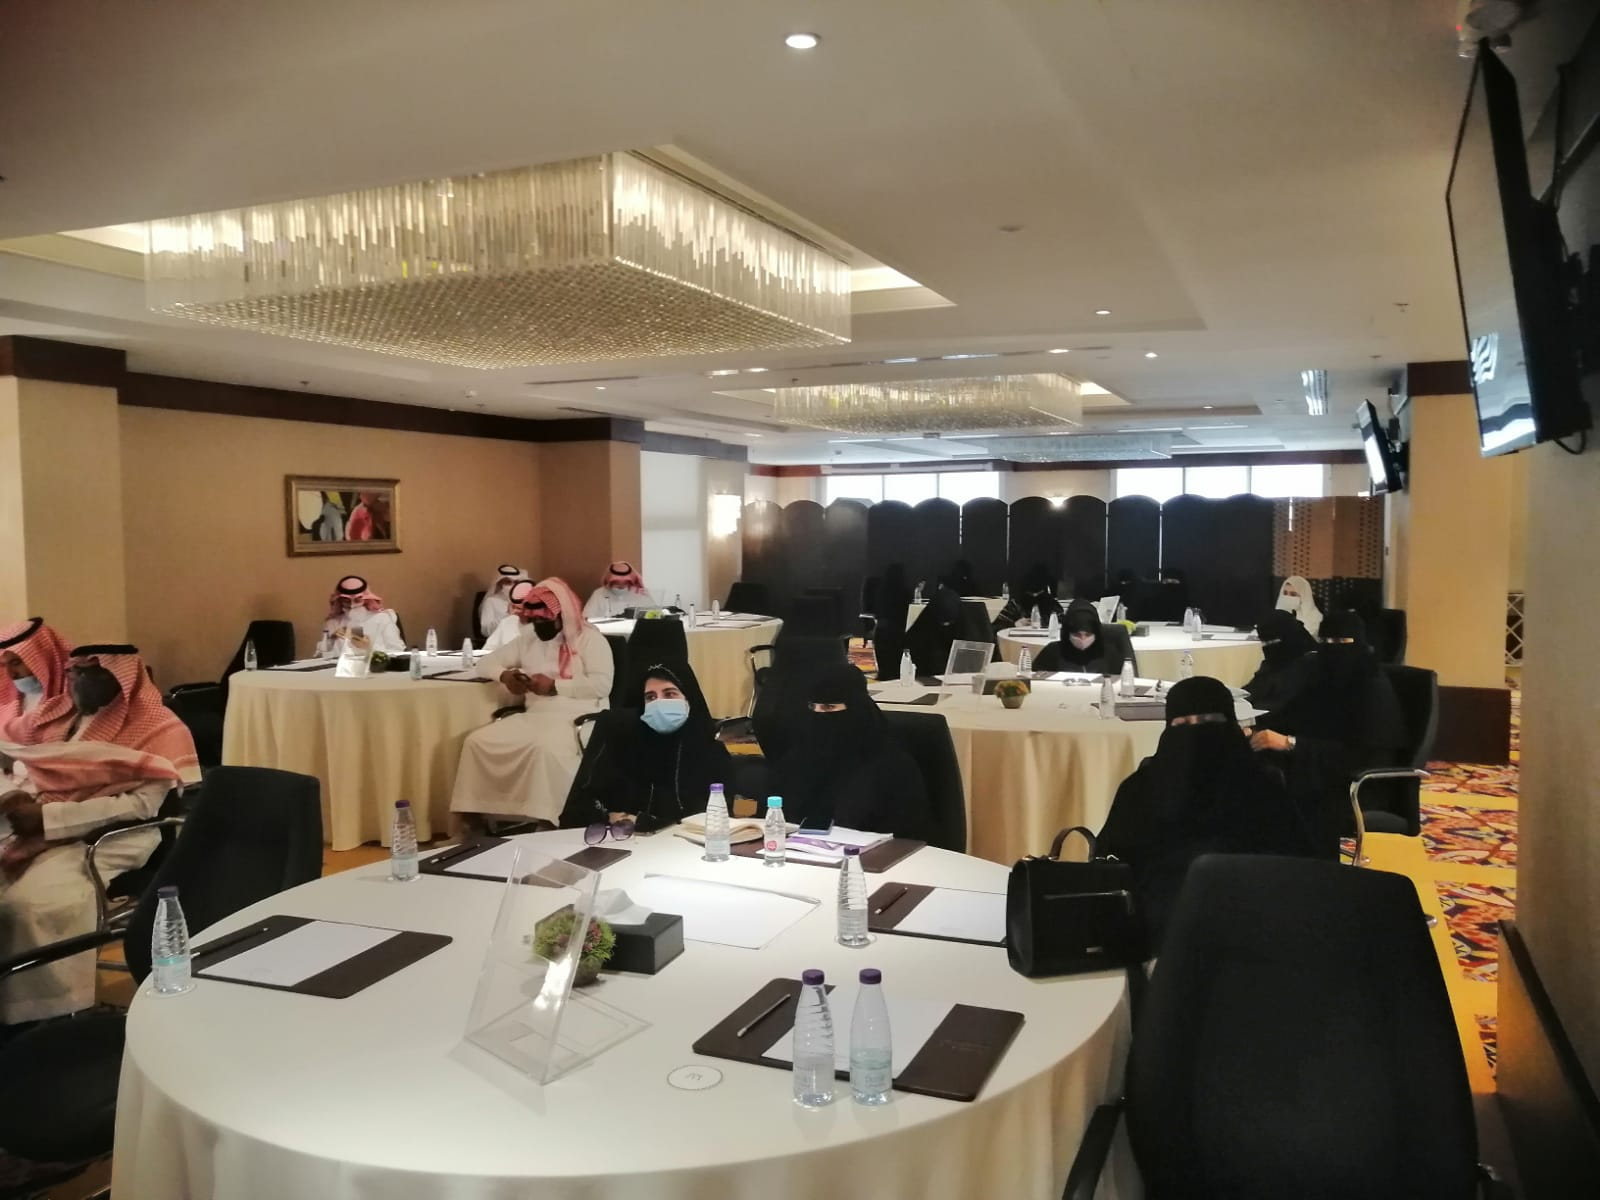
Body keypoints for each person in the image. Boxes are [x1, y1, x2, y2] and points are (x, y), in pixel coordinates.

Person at [0, 644, 200, 1024]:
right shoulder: (57, 717)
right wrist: (14, 796)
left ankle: (50, 1011)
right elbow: (21, 764)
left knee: (28, 906)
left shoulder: (158, 727)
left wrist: (49, 818)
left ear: (120, 677)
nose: (76, 680)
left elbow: (140, 806)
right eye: (73, 672)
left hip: (111, 836)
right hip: (34, 826)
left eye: (90, 673)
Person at [1098, 676, 1315, 947]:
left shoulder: (1261, 786)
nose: (1195, 734)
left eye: (1208, 721)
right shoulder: (1140, 789)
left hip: (1249, 924)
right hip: (1166, 931)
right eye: (1182, 725)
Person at [450, 578, 615, 827]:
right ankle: (475, 821)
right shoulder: (529, 639)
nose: (538, 626)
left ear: (561, 615)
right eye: (534, 620)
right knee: (477, 742)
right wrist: (505, 676)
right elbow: (485, 663)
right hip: (535, 715)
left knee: (543, 748)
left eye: (544, 620)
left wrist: (554, 686)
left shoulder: (590, 640)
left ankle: (547, 819)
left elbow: (602, 685)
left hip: (579, 717)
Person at [1249, 610, 1408, 857]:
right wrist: (1254, 728)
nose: (1331, 649)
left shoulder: (1373, 689)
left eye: (1340, 642)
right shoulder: (1321, 677)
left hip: (1359, 784)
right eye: (1324, 642)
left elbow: (1360, 754)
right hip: (1318, 768)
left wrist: (1291, 743)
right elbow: (1293, 714)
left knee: (1280, 793)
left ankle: (1307, 869)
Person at [559, 659, 731, 834]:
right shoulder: (623, 742)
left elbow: (714, 821)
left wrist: (643, 822)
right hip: (622, 843)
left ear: (689, 699)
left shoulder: (711, 751)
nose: (659, 703)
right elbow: (578, 809)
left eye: (670, 694)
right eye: (650, 697)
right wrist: (610, 817)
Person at [770, 663, 931, 839]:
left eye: (829, 707)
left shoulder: (891, 765)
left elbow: (906, 835)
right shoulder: (797, 758)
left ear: (856, 708)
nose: (817, 715)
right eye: (812, 707)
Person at [0, 619, 71, 741]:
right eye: (3, 665)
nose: (11, 674)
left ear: (44, 656)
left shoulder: (73, 694)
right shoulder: (9, 700)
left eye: (16, 663)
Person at [1241, 609, 1319, 712]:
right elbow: (1252, 690)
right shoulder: (1274, 661)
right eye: (1264, 643)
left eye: (1272, 641)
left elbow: (1285, 704)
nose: (1266, 646)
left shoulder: (1309, 665)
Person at [1035, 599, 1132, 674]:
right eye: (1077, 635)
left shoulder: (1110, 654)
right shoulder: (1052, 652)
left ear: (1096, 633)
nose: (1083, 639)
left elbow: (1123, 683)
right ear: (1067, 633)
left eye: (1088, 635)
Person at [318, 575, 405, 656]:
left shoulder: (382, 619)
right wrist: (331, 639)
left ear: (365, 599)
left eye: (357, 600)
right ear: (340, 600)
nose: (351, 605)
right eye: (346, 600)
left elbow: (397, 651)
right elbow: (320, 656)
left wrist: (368, 648)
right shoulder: (332, 623)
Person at [870, 562, 913, 680]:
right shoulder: (904, 592)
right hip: (898, 632)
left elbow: (876, 612)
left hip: (882, 631)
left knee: (884, 665)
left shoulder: (881, 591)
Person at [995, 563, 1062, 630]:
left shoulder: (1053, 606)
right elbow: (995, 628)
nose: (1035, 596)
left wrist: (1044, 623)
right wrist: (1014, 624)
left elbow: (1064, 627)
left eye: (1039, 593)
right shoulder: (1015, 605)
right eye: (1031, 593)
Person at [583, 561, 656, 620]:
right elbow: (586, 618)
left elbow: (654, 616)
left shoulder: (641, 593)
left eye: (625, 583)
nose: (620, 587)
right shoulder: (599, 594)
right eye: (616, 583)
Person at [479, 564, 530, 641]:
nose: (513, 585)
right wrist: (508, 615)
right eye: (508, 582)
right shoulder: (491, 601)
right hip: (501, 642)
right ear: (499, 583)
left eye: (516, 582)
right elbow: (486, 630)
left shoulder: (523, 601)